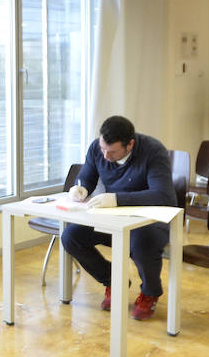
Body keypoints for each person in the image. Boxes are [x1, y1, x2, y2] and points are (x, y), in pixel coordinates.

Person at [61, 115, 176, 321]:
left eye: (112, 151)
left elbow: (162, 195)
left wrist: (117, 198)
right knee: (71, 236)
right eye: (103, 148)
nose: (105, 155)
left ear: (130, 144)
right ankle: (114, 281)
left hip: (150, 221)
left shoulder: (153, 151)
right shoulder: (98, 148)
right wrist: (80, 188)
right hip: (114, 219)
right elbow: (87, 177)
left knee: (142, 242)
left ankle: (150, 293)